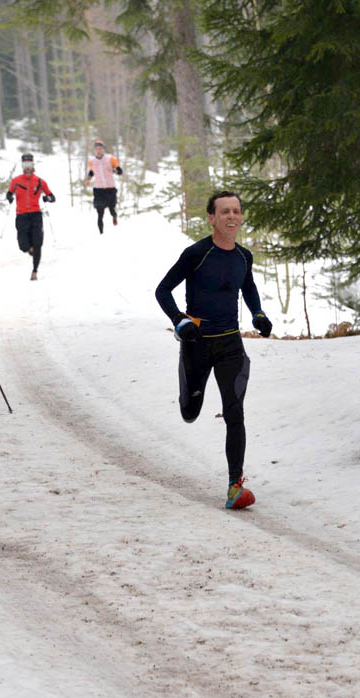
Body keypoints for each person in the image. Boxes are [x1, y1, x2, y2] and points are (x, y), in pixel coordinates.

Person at [155, 191, 273, 510]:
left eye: (236, 211)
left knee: (235, 412)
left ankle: (235, 486)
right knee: (190, 412)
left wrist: (258, 314)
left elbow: (247, 287)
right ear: (211, 218)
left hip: (231, 344)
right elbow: (162, 290)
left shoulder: (243, 256)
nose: (232, 216)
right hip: (197, 344)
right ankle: (189, 397)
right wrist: (180, 321)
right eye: (224, 212)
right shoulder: (196, 254)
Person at [6, 153, 55, 280]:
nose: (27, 167)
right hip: (21, 216)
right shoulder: (16, 181)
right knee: (23, 246)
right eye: (25, 164)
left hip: (35, 215)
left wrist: (47, 198)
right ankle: (31, 250)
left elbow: (52, 197)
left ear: (33, 165)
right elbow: (9, 193)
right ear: (22, 166)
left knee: (38, 242)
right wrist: (10, 197)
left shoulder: (39, 181)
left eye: (29, 164)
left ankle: (35, 271)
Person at [84, 139, 122, 234]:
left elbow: (120, 171)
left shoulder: (110, 159)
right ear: (94, 150)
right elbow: (92, 171)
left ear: (103, 149)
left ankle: (114, 217)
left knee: (112, 210)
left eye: (100, 148)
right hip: (98, 190)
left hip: (110, 189)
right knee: (100, 214)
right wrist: (88, 179)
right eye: (96, 149)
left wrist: (115, 171)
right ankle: (101, 233)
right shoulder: (92, 161)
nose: (98, 150)